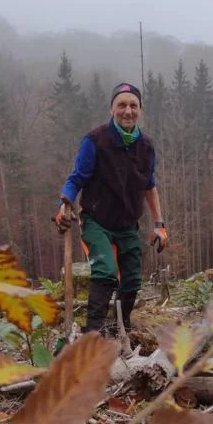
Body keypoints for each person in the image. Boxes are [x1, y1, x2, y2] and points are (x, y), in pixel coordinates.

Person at [54, 83, 168, 334]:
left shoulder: (146, 146)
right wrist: (65, 204)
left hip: (127, 224)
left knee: (132, 280)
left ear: (140, 110)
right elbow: (76, 179)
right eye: (122, 105)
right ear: (111, 109)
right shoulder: (95, 140)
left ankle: (119, 328)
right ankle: (93, 333)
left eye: (133, 105)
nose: (128, 111)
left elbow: (149, 186)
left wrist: (159, 225)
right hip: (97, 220)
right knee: (105, 270)